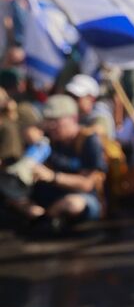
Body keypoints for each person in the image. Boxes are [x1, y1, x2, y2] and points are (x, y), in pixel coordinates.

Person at [28, 95, 107, 230]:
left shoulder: (88, 140)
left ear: (74, 118)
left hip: (82, 197)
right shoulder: (46, 138)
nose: (51, 125)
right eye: (48, 120)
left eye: (56, 120)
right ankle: (46, 216)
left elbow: (87, 184)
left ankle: (47, 217)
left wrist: (52, 176)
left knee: (73, 204)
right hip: (48, 195)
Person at [65, 74, 116, 139]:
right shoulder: (71, 113)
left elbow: (99, 132)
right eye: (69, 95)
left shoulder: (100, 114)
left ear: (91, 99)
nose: (71, 100)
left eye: (76, 97)